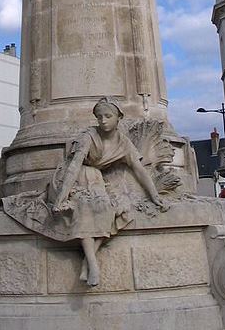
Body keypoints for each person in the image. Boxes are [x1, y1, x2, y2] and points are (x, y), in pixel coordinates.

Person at [49, 97, 167, 286]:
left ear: (119, 117)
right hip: (74, 176)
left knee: (112, 210)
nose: (103, 120)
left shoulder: (124, 142)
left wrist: (154, 194)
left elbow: (139, 169)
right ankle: (93, 265)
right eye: (99, 117)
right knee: (87, 208)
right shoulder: (89, 136)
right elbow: (74, 166)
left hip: (96, 177)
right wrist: (62, 196)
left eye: (108, 116)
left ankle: (88, 262)